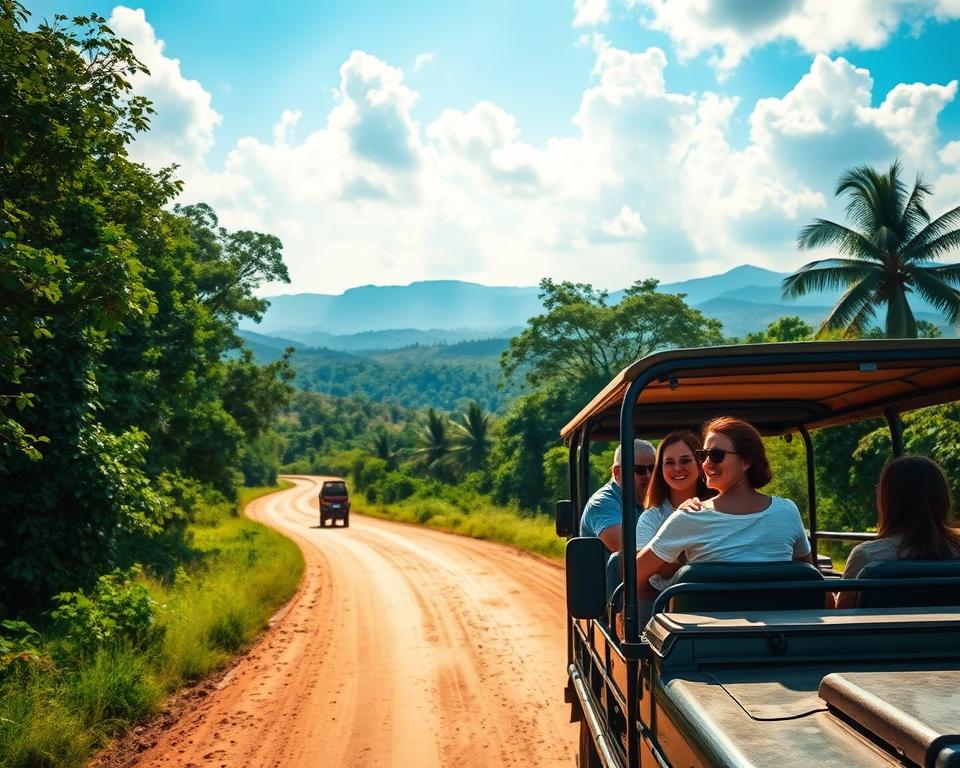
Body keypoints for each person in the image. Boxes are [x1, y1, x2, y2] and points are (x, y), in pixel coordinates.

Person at [636, 416, 811, 593]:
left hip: (707, 619)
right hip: (780, 619)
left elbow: (634, 574)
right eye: (703, 455)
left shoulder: (688, 517)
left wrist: (663, 606)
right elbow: (813, 584)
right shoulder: (788, 512)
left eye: (716, 455)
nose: (706, 463)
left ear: (746, 461)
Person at [834, 455, 960, 609]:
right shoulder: (956, 548)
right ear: (942, 498)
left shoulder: (866, 556)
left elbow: (842, 616)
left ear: (887, 501)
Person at [636, 430, 713, 597]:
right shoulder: (651, 518)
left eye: (685, 460)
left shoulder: (719, 509)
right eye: (669, 462)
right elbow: (655, 571)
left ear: (700, 464)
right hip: (662, 604)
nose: (678, 468)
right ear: (660, 469)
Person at [581, 438, 656, 554]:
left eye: (653, 469)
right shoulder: (602, 503)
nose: (649, 475)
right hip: (614, 572)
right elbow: (628, 549)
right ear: (617, 472)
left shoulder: (653, 500)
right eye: (640, 470)